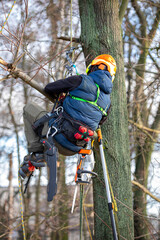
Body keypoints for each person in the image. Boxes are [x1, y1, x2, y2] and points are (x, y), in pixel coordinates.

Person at [19, 54, 117, 179]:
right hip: (74, 149)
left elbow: (49, 88)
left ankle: (37, 153)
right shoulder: (108, 103)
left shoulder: (80, 80)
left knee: (29, 108)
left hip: (57, 136)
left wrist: (66, 94)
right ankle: (35, 159)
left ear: (92, 68)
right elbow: (100, 122)